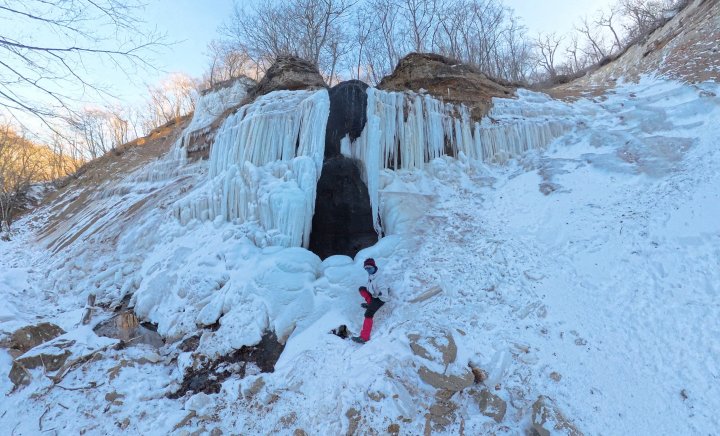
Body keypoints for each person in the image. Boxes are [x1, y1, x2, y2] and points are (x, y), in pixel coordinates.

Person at [352, 258, 387, 344]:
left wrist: (380, 294)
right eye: (366, 268)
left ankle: (364, 337)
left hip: (380, 299)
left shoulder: (379, 278)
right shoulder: (372, 275)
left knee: (368, 314)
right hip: (374, 296)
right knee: (362, 289)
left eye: (370, 268)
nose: (368, 270)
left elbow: (384, 291)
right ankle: (370, 304)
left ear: (374, 267)